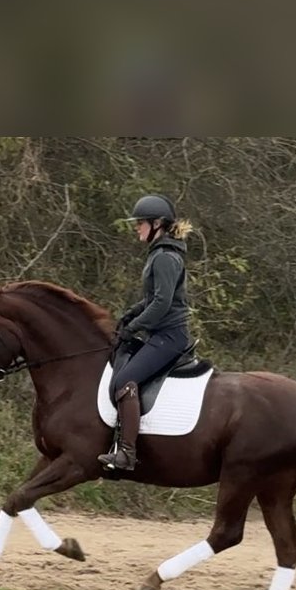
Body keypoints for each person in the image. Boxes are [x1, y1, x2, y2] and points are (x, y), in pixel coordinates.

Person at [98, 194, 195, 472]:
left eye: (141, 223)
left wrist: (133, 327)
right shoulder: (160, 254)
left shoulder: (165, 257)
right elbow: (153, 297)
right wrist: (131, 313)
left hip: (169, 337)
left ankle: (127, 453)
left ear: (157, 224)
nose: (137, 227)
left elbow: (162, 303)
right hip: (159, 334)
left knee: (126, 380)